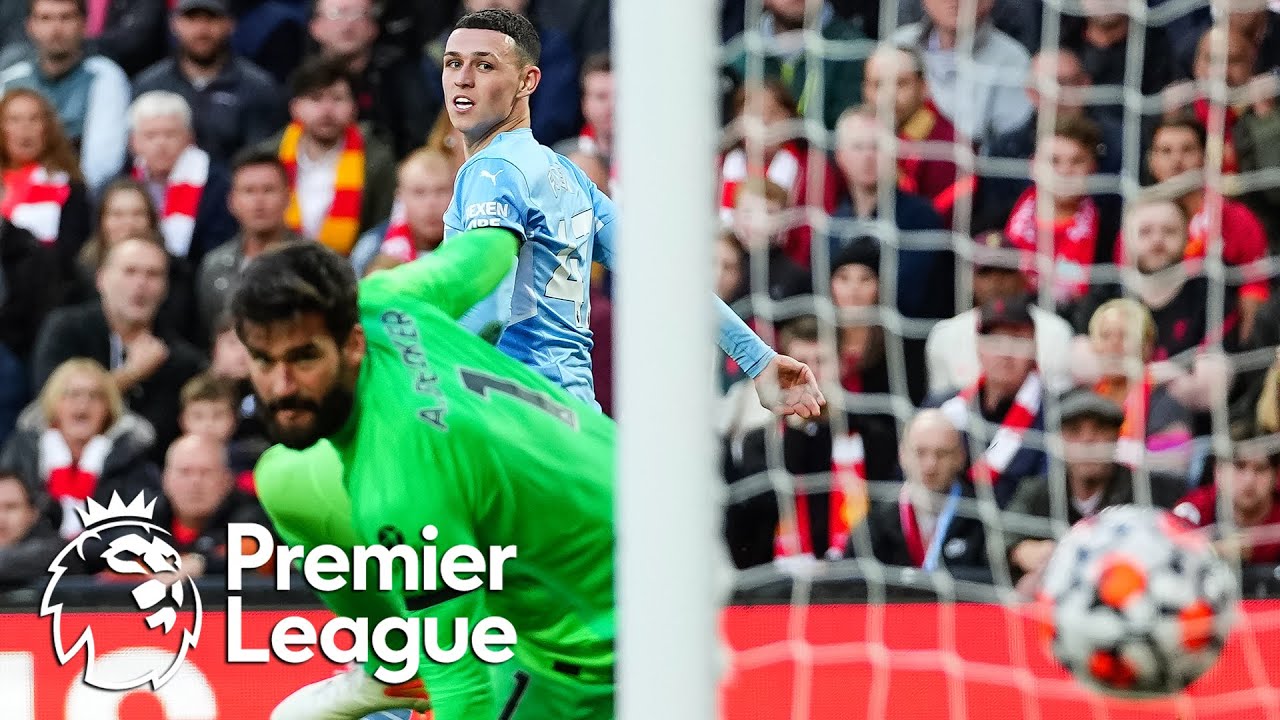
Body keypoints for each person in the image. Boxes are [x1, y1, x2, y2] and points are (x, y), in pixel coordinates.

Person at [236, 237, 614, 719]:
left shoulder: (399, 487)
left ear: (352, 344)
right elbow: (486, 251)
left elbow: (463, 685)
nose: (281, 387)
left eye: (304, 358)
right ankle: (396, 665)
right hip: (632, 494)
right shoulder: (387, 300)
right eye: (264, 361)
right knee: (284, 478)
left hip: (601, 654)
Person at [443, 9, 824, 415]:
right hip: (577, 415)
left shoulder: (492, 170)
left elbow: (490, 306)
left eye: (484, 65)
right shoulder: (569, 177)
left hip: (514, 414)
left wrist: (429, 363)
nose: (463, 78)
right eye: (453, 63)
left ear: (527, 81)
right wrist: (759, 359)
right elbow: (667, 276)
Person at [31, 238, 206, 454]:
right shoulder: (66, 329)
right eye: (130, 272)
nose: (141, 283)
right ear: (101, 279)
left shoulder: (181, 360)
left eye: (153, 274)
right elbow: (47, 404)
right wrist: (130, 374)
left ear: (165, 288)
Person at [1001, 388, 1185, 592]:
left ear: (1116, 438)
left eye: (1100, 429)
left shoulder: (1148, 491)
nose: (1088, 440)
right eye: (1075, 431)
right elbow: (999, 539)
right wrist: (1020, 551)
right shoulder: (1039, 491)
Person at [0, 358, 158, 539]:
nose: (83, 404)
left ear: (108, 408)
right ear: (54, 403)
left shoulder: (130, 456)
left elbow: (137, 524)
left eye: (94, 396)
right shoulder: (23, 452)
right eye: (73, 394)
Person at [131, 0, 287, 165]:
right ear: (174, 24)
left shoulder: (257, 88)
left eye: (211, 19)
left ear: (230, 24)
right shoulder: (149, 85)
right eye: (192, 19)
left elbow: (261, 158)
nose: (201, 30)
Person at [0, 0, 130, 190]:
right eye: (46, 18)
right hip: (10, 192)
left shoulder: (103, 76)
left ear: (84, 24)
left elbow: (103, 163)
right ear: (30, 26)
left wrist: (66, 195)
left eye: (66, 17)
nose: (56, 29)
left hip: (77, 192)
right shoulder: (11, 78)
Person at [857, 409, 988, 571]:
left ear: (960, 457)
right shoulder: (877, 515)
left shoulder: (982, 517)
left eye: (942, 454)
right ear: (902, 455)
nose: (930, 465)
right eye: (920, 453)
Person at [196, 148, 302, 334]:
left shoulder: (312, 262)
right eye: (249, 191)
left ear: (288, 197)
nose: (259, 202)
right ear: (232, 201)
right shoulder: (214, 266)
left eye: (268, 190)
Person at [127, 90, 236, 270]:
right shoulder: (124, 182)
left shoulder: (216, 183)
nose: (161, 144)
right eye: (151, 135)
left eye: (170, 134)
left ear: (189, 137)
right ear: (133, 142)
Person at [0, 88, 91, 279]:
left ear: (47, 128)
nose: (25, 128)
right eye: (14, 120)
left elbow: (70, 253)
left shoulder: (70, 186)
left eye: (34, 119)